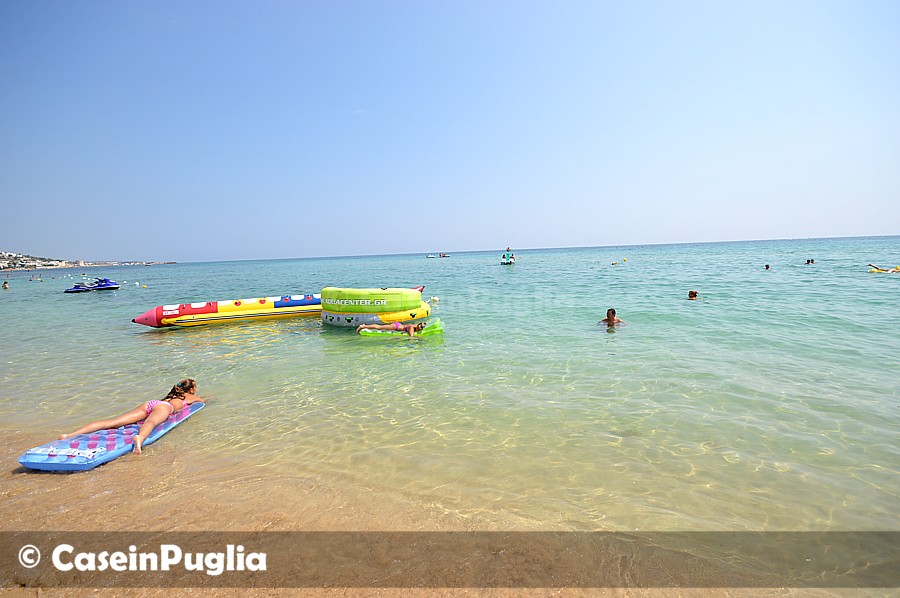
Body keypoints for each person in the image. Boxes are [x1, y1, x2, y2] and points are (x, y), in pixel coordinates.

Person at [58, 379, 203, 454]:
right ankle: (139, 438)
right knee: (151, 422)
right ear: (190, 390)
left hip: (151, 404)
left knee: (113, 422)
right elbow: (201, 401)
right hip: (165, 408)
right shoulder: (187, 396)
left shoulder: (169, 396)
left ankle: (70, 435)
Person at [357, 321, 426, 337]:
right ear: (418, 325)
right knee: (379, 327)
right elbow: (411, 337)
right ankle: (363, 326)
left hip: (398, 325)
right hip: (395, 327)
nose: (421, 328)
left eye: (422, 327)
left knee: (380, 327)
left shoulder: (415, 326)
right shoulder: (412, 327)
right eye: (421, 326)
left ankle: (365, 326)